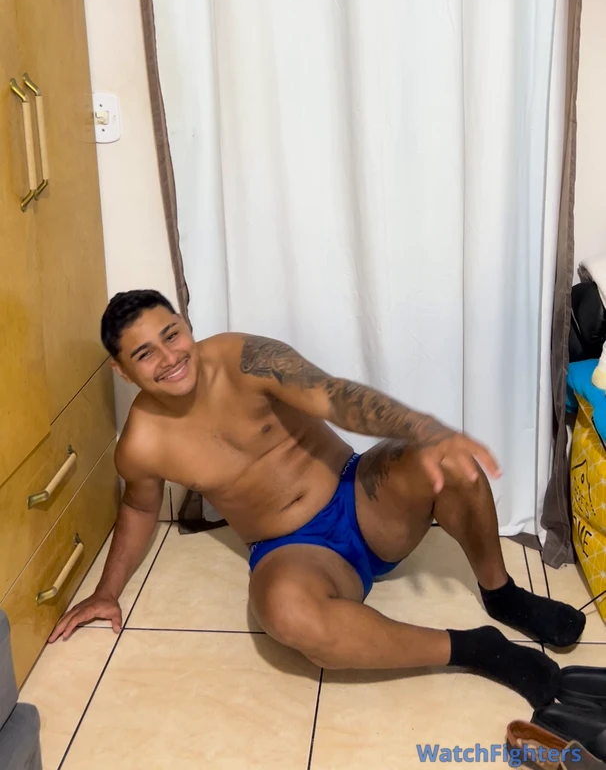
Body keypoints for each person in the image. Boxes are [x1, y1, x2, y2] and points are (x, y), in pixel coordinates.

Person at [50, 290, 584, 706]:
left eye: (172, 335)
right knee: (286, 615)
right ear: (122, 370)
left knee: (446, 459)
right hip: (296, 553)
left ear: (186, 325)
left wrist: (424, 427)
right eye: (145, 354)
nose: (170, 357)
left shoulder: (242, 357)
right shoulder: (141, 444)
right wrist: (107, 591)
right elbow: (140, 507)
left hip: (362, 499)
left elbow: (333, 395)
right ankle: (476, 648)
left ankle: (501, 593)